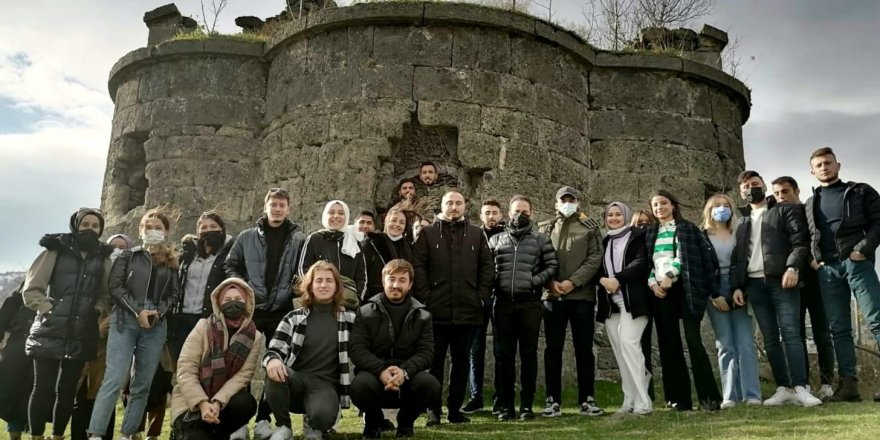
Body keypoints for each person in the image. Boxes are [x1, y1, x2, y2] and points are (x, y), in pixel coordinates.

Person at [88, 208, 181, 440]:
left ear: (166, 231)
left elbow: (175, 294)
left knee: (142, 383)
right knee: (114, 378)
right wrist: (138, 311)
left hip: (156, 324)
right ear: (141, 230)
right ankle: (96, 433)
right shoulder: (127, 256)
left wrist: (158, 312)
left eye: (158, 228)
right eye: (148, 227)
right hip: (126, 319)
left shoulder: (171, 261)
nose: (153, 231)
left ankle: (128, 433)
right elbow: (116, 287)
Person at [730, 171, 820, 407]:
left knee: (791, 333)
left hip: (781, 280)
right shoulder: (742, 221)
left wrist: (793, 268)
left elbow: (800, 241)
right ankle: (783, 388)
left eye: (755, 184)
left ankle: (801, 387)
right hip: (754, 284)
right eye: (746, 186)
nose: (751, 189)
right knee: (770, 338)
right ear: (741, 192)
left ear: (763, 186)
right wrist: (738, 286)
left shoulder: (783, 210)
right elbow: (738, 257)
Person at [23, 208, 113, 440]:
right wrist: (48, 310)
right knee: (41, 389)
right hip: (50, 328)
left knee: (66, 392)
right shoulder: (56, 249)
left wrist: (95, 311)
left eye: (95, 226)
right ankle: (36, 435)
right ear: (76, 225)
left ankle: (58, 436)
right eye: (86, 225)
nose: (90, 229)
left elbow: (106, 294)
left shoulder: (102, 257)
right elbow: (32, 288)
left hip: (82, 332)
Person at [226, 188, 306, 438]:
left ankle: (263, 418)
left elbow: (304, 270)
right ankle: (239, 422)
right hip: (251, 310)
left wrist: (297, 287)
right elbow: (231, 264)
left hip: (281, 309)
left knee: (276, 364)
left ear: (288, 208)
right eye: (273, 205)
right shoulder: (246, 237)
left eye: (282, 205)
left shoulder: (298, 239)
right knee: (241, 364)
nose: (277, 209)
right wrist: (242, 287)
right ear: (265, 207)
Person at [804, 147, 880, 402]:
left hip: (856, 263)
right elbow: (807, 236)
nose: (824, 167)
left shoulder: (860, 191)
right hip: (828, 270)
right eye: (819, 165)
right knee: (839, 329)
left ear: (838, 165)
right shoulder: (810, 202)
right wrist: (815, 261)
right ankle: (848, 386)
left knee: (876, 319)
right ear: (812, 171)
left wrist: (862, 250)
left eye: (828, 163)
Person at [412, 190, 494, 425]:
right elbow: (418, 267)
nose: (454, 207)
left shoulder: (477, 235)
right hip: (435, 312)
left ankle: (455, 409)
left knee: (460, 364)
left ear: (465, 207)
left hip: (468, 312)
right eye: (450, 203)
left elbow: (487, 268)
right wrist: (426, 298)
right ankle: (433, 411)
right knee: (434, 363)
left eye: (459, 203)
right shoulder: (428, 234)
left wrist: (480, 297)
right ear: (442, 206)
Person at [645, 190, 722, 411]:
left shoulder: (687, 228)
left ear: (673, 205)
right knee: (668, 344)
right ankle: (679, 399)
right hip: (660, 291)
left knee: (693, 341)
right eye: (656, 205)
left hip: (685, 288)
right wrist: (653, 283)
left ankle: (709, 399)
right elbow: (649, 262)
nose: (660, 208)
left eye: (664, 203)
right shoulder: (651, 232)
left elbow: (685, 256)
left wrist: (670, 276)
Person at [262, 261, 356, 440]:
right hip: (295, 381)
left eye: (329, 280)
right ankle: (284, 427)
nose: (323, 285)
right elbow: (273, 349)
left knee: (323, 418)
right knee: (274, 370)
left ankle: (314, 422)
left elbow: (363, 348)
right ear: (310, 286)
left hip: (325, 385)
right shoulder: (294, 318)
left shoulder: (349, 319)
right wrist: (272, 360)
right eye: (318, 280)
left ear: (337, 286)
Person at [350, 259, 441, 438]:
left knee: (430, 385)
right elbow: (357, 348)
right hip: (374, 376)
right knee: (359, 386)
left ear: (410, 284)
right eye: (391, 279)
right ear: (383, 281)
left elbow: (427, 352)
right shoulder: (365, 311)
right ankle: (374, 423)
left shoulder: (423, 315)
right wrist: (381, 370)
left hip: (408, 378)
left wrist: (404, 372)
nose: (395, 285)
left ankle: (406, 423)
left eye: (402, 280)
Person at [489, 195, 558, 421]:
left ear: (532, 212)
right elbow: (487, 269)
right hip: (503, 304)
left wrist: (533, 281)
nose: (520, 215)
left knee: (529, 355)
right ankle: (506, 405)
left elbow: (552, 266)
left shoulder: (540, 239)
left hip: (530, 304)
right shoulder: (496, 240)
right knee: (504, 356)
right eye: (516, 211)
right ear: (509, 213)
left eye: (525, 212)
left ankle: (526, 405)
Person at [537, 186, 604, 417]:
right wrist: (551, 283)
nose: (567, 203)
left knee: (584, 349)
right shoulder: (545, 228)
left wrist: (573, 282)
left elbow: (595, 258)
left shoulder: (591, 227)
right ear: (556, 204)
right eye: (563, 200)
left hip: (582, 297)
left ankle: (587, 399)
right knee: (552, 349)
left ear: (578, 202)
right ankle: (552, 400)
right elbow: (540, 258)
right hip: (553, 297)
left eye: (571, 199)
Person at [170, 278, 263, 440]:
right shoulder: (203, 327)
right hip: (190, 402)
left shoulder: (254, 337)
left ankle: (218, 433)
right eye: (227, 300)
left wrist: (217, 403)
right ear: (218, 303)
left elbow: (242, 377)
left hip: (222, 404)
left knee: (245, 403)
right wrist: (203, 403)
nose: (233, 304)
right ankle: (183, 432)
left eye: (238, 300)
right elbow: (186, 370)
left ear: (247, 302)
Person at [771, 176, 836, 400]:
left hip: (815, 279)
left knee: (822, 332)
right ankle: (803, 383)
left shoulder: (809, 210)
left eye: (785, 192)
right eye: (777, 193)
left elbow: (812, 238)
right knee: (795, 334)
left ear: (796, 190)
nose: (781, 197)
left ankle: (827, 383)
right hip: (790, 282)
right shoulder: (777, 216)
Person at [701, 194, 762, 409]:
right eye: (717, 206)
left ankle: (752, 394)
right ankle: (730, 396)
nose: (722, 209)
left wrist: (742, 289)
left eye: (726, 205)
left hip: (740, 287)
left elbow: (746, 261)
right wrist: (713, 294)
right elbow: (701, 268)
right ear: (709, 210)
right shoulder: (703, 236)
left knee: (745, 342)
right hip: (715, 290)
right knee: (725, 344)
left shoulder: (741, 232)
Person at [71, 234, 134, 440]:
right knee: (82, 393)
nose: (117, 250)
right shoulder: (95, 269)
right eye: (113, 246)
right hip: (88, 335)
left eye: (122, 247)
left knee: (104, 392)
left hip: (114, 342)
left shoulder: (132, 273)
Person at [596, 202, 653, 416]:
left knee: (630, 343)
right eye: (610, 215)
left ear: (626, 216)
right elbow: (597, 267)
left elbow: (640, 263)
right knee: (620, 351)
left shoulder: (638, 237)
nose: (613, 218)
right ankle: (629, 398)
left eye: (618, 214)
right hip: (611, 303)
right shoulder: (605, 241)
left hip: (634, 301)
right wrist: (604, 280)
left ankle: (643, 401)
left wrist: (617, 279)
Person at [462, 199, 506, 415]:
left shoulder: (509, 236)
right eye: (487, 212)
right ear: (481, 216)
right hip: (478, 299)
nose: (491, 216)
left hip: (501, 297)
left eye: (495, 212)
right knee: (475, 350)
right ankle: (475, 396)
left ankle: (500, 398)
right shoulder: (473, 236)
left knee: (500, 349)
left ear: (501, 214)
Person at [172, 211, 236, 359]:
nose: (208, 230)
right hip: (183, 316)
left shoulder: (227, 255)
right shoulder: (188, 255)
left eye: (213, 226)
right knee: (183, 361)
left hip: (208, 317)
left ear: (221, 229)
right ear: (198, 231)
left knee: (205, 362)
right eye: (204, 227)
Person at [299, 200, 368, 309]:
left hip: (347, 305)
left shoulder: (354, 242)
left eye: (341, 213)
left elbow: (362, 277)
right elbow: (303, 270)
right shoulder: (315, 239)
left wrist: (357, 299)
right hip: (318, 303)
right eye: (331, 212)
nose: (336, 216)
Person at [0, 282, 35, 440]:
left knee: (28, 393)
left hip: (39, 347)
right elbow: (9, 306)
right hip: (18, 345)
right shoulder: (27, 286)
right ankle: (16, 434)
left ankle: (31, 432)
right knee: (12, 393)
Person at [363, 209, 413, 298]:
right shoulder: (372, 242)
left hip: (401, 297)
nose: (397, 224)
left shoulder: (409, 248)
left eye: (401, 222)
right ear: (386, 221)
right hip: (375, 297)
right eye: (393, 220)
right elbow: (363, 272)